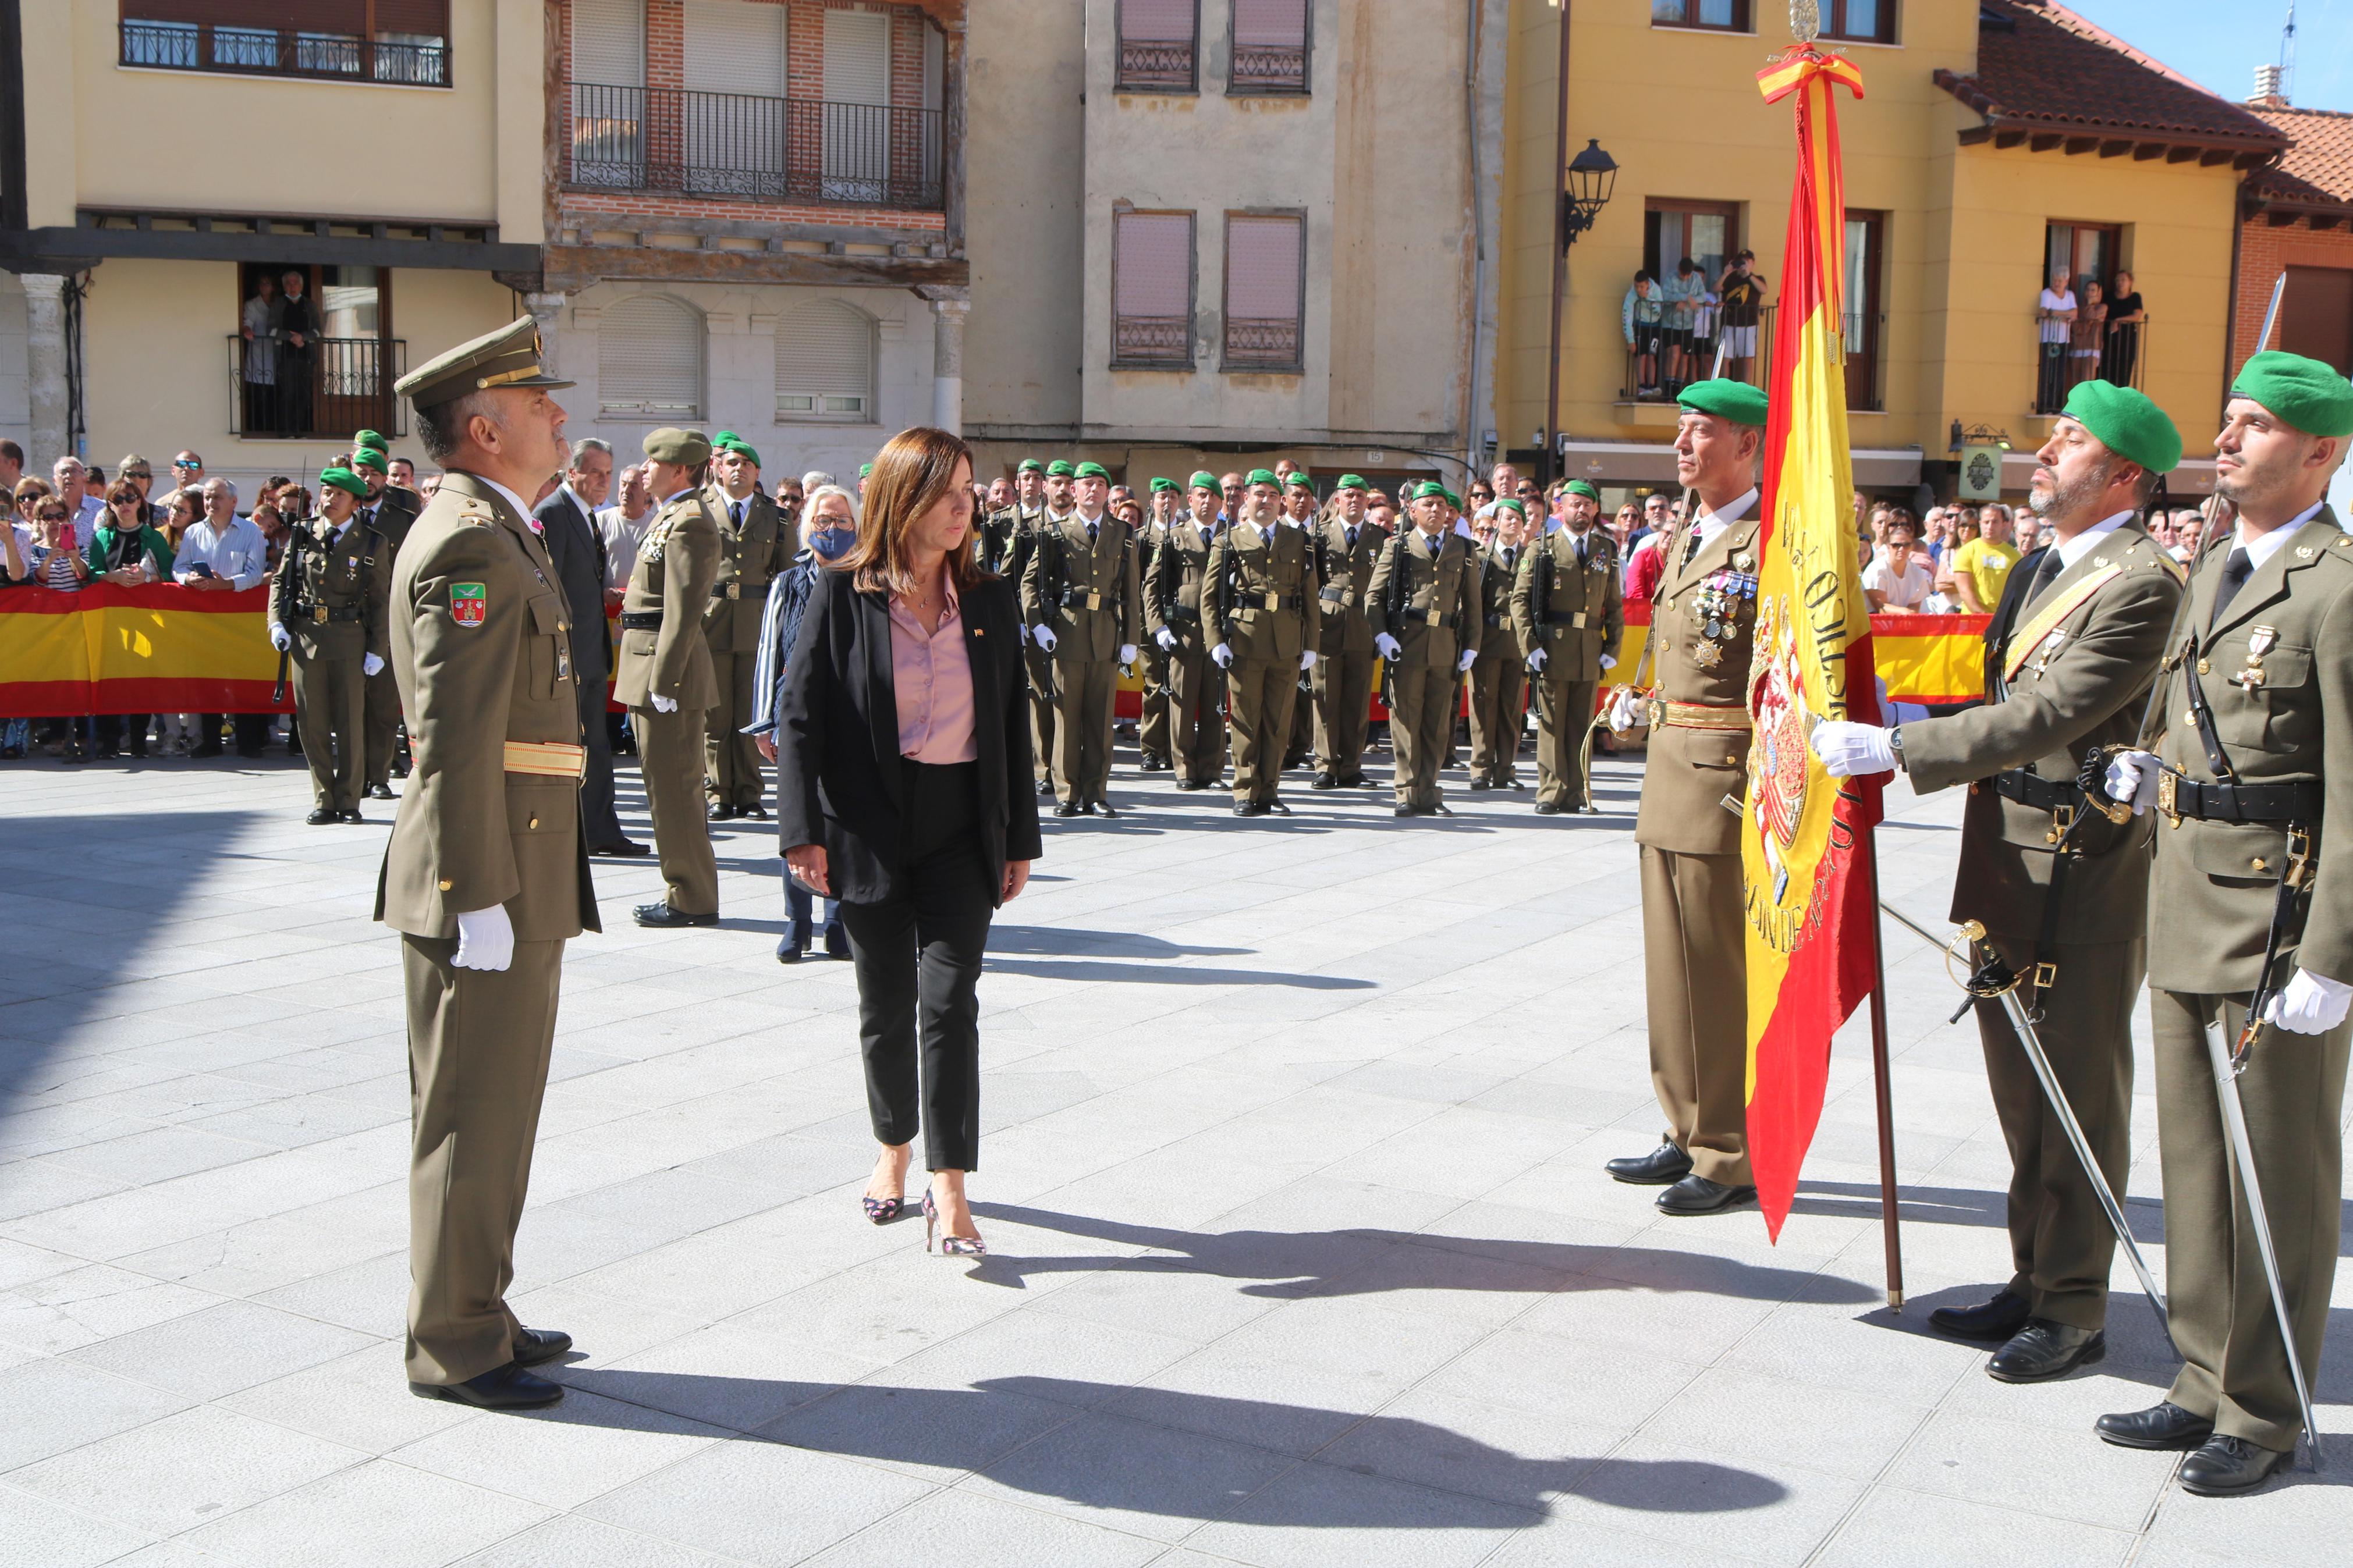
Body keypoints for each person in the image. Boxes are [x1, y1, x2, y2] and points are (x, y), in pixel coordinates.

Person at [1814, 379, 2185, 1382]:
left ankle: (2073, 1307)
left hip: (2078, 869)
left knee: (2072, 1093)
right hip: (2004, 857)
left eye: (2068, 443)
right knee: (2019, 1092)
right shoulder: (2035, 569)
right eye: (2054, 436)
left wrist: (1899, 745)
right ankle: (2033, 1278)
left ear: (2121, 476)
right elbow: (1999, 694)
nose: (2044, 454)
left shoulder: (2142, 582)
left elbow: (2050, 712)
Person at [2093, 353, 2353, 1495]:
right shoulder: (2211, 570)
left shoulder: (2337, 587)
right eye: (2229, 419)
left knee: (2274, 1179)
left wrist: (2332, 958)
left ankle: (2260, 1408)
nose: (2227, 438)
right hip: (2184, 895)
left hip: (2273, 919)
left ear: (2318, 452)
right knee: (2194, 1166)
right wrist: (2142, 763)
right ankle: (2199, 1375)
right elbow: (2187, 712)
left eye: (2255, 426)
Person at [376, 317, 594, 1411]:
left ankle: (480, 1304)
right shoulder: (469, 538)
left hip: (520, 863)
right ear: (482, 428)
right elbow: (454, 734)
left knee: (497, 1107)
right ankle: (453, 1341)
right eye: (536, 404)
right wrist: (478, 895)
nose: (559, 415)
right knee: (469, 1110)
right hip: (488, 873)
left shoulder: (504, 526)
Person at [774, 426, 1041, 1258]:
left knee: (948, 1001)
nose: (966, 505)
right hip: (871, 830)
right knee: (884, 1004)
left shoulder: (991, 598)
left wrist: (1019, 838)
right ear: (904, 498)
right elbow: (800, 715)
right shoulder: (842, 591)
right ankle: (892, 1148)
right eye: (947, 491)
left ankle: (950, 1184)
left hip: (964, 825)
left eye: (970, 488)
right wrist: (799, 833)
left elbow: (1009, 722)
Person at [1602, 379, 1770, 1214]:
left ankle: (1728, 1148)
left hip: (1720, 781)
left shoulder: (1768, 539)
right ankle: (1683, 1125)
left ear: (1744, 444)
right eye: (1679, 428)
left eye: (1699, 431)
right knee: (1669, 971)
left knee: (1713, 973)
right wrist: (1639, 703)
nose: (1680, 443)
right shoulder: (1684, 532)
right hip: (1667, 768)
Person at [615, 429, 725, 929]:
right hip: (647, 659)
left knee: (677, 788)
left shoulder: (691, 523)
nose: (644, 469)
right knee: (664, 786)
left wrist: (664, 682)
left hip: (666, 668)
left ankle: (691, 896)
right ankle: (684, 888)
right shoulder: (672, 514)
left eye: (653, 462)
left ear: (680, 470)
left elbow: (683, 612)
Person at [747, 483, 861, 962]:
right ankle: (797, 922)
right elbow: (768, 650)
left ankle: (838, 922)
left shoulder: (868, 580)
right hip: (795, 717)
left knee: (844, 820)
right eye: (821, 520)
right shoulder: (788, 583)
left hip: (851, 720)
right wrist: (763, 724)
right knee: (797, 818)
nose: (830, 529)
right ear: (804, 526)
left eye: (840, 521)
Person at [537, 439, 642, 858]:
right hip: (570, 657)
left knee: (596, 746)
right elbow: (547, 589)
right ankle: (584, 830)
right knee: (579, 747)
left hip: (591, 652)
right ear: (572, 472)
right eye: (596, 472)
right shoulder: (553, 514)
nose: (604, 481)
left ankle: (599, 828)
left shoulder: (587, 517)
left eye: (608, 473)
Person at [268, 467, 388, 823]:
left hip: (349, 636)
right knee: (311, 722)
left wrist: (377, 649)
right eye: (326, 492)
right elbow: (281, 581)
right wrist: (276, 622)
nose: (330, 499)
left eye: (339, 494)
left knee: (351, 722)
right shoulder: (303, 534)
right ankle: (323, 798)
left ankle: (349, 799)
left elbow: (381, 599)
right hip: (307, 637)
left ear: (354, 502)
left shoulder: (371, 542)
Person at [1023, 460, 1137, 817]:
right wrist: (1037, 624)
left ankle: (1097, 792)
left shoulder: (1122, 533)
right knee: (1066, 716)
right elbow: (1030, 582)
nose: (1093, 490)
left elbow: (1131, 591)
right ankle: (1067, 792)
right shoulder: (1056, 531)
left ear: (1108, 493)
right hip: (1067, 633)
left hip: (1105, 633)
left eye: (1100, 486)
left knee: (1101, 719)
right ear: (1074, 491)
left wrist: (1131, 637)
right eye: (1086, 484)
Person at [1204, 470, 1315, 817]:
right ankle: (1245, 790)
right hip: (1245, 639)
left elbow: (1309, 595)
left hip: (1286, 640)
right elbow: (1210, 597)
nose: (1264, 501)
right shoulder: (1229, 540)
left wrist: (1311, 642)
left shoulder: (1299, 540)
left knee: (1278, 722)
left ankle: (1269, 790)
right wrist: (1216, 640)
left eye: (1271, 495)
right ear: (1246, 500)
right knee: (1245, 719)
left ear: (1281, 501)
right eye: (1258, 495)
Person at [1368, 481, 1481, 817]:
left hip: (1446, 644)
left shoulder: (1464, 548)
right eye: (1428, 504)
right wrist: (1382, 636)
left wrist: (1472, 645)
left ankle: (1430, 793)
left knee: (1437, 724)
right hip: (1407, 643)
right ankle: (1406, 791)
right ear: (1413, 510)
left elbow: (1473, 603)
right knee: (1405, 721)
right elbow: (1373, 596)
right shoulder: (1398, 546)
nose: (1435, 510)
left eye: (1441, 505)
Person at [695, 436, 793, 822]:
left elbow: (786, 578)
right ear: (719, 468)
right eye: (731, 463)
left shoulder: (776, 517)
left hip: (755, 624)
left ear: (757, 473)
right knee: (714, 715)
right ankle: (718, 791)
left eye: (746, 465)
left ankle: (750, 793)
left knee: (751, 713)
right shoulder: (700, 508)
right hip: (712, 620)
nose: (738, 469)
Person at [1516, 479, 1623, 813]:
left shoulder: (1605, 549)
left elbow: (1614, 604)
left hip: (1589, 648)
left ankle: (1577, 792)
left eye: (1588, 505)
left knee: (1581, 725)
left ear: (1595, 509)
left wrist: (1612, 648)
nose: (1582, 511)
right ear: (1561, 508)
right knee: (1551, 725)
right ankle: (1550, 792)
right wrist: (1531, 646)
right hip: (1554, 645)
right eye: (1575, 505)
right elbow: (1520, 600)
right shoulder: (1542, 548)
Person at [174, 478, 272, 758]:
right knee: (208, 679)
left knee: (245, 678)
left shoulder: (251, 532)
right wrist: (188, 578)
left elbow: (256, 574)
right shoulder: (194, 532)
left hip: (241, 620)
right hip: (205, 619)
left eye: (217, 497)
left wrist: (226, 584)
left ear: (233, 502)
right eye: (207, 497)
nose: (210, 503)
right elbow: (178, 567)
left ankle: (249, 741)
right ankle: (211, 740)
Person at [1148, 473, 1229, 791]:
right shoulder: (1174, 536)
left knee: (1215, 702)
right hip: (1184, 631)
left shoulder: (1232, 535)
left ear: (1221, 503)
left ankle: (1211, 768)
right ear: (1191, 501)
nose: (1207, 501)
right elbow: (1152, 586)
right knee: (1182, 703)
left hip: (1220, 632)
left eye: (1213, 496)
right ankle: (1184, 769)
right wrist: (1157, 627)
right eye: (1201, 495)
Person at [86, 480, 175, 759]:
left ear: (140, 502)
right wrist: (110, 577)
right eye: (117, 499)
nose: (124, 504)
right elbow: (91, 575)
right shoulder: (102, 537)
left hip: (146, 621)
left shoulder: (154, 537)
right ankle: (110, 741)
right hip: (111, 622)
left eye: (130, 498)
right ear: (110, 505)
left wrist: (146, 578)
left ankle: (139, 741)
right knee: (110, 680)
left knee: (141, 682)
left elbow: (172, 576)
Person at [1309, 474, 1380, 789]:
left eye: (1360, 496)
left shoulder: (1380, 538)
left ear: (1367, 502)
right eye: (1349, 495)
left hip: (1363, 627)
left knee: (1357, 698)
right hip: (1328, 623)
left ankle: (1351, 765)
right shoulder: (1319, 535)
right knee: (1325, 697)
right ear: (1337, 500)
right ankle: (1326, 764)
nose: (1355, 500)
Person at [1467, 499, 1529, 790]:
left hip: (1517, 642)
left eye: (1519, 518)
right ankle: (1481, 767)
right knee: (1483, 705)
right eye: (1508, 518)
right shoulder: (1481, 557)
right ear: (1494, 522)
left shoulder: (1530, 557)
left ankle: (1506, 768)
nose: (1514, 523)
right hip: (1488, 640)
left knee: (1511, 707)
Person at [1947, 502, 2021, 614]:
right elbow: (1965, 591)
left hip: (2002, 620)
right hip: (1972, 620)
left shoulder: (2015, 556)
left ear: (2004, 524)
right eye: (1987, 522)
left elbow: (2017, 591)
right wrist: (1982, 615)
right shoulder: (1966, 552)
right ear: (1980, 524)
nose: (1990, 526)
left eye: (1995, 522)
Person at [1862, 511, 1934, 611]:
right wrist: (1906, 613)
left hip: (1904, 624)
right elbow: (1881, 608)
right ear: (1888, 546)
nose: (1901, 549)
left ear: (1912, 547)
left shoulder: (1917, 573)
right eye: (1896, 545)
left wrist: (1910, 614)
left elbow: (1915, 607)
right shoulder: (1877, 569)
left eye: (1906, 545)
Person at [276, 268, 319, 436]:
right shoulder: (278, 304)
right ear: (284, 287)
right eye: (289, 284)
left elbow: (317, 330)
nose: (292, 287)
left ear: (301, 286)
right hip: (285, 356)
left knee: (303, 394)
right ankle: (286, 430)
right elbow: (272, 330)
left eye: (296, 283)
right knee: (287, 394)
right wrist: (290, 337)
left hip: (306, 356)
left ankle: (300, 429)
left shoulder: (310, 305)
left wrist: (303, 337)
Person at [1716, 250, 1766, 383]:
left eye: (1746, 261)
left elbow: (1764, 290)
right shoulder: (1731, 278)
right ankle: (1724, 386)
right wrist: (1726, 273)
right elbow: (1716, 288)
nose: (1743, 264)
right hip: (1729, 323)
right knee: (1725, 358)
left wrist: (1748, 275)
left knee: (1747, 358)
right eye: (1741, 261)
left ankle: (1746, 388)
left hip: (1749, 324)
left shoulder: (1757, 279)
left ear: (1752, 263)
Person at [241, 272, 279, 434]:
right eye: (262, 283)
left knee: (275, 395)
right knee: (258, 393)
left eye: (268, 283)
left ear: (273, 287)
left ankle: (273, 427)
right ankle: (258, 428)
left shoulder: (279, 304)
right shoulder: (252, 304)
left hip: (277, 351)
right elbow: (247, 323)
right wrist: (247, 331)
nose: (265, 286)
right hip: (259, 352)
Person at [2036, 266, 2077, 415]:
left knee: (2060, 373)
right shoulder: (2047, 294)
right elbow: (2044, 312)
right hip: (2048, 340)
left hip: (2063, 341)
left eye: (2060, 281)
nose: (2057, 283)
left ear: (2066, 281)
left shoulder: (2070, 295)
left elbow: (2075, 314)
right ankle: (2045, 405)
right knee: (2047, 373)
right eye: (2055, 280)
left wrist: (2055, 313)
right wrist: (2065, 316)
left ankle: (2056, 405)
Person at [1623, 271, 1665, 397]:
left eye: (1641, 287)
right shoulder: (1632, 294)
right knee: (1642, 356)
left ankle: (1651, 385)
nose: (1639, 290)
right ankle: (1642, 386)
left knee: (1652, 356)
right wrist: (1630, 339)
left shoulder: (1656, 290)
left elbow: (1659, 312)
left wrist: (1647, 298)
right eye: (1636, 286)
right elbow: (1627, 315)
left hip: (1654, 326)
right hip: (1640, 326)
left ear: (1647, 284)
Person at [2102, 269, 2145, 387]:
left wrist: (2118, 321)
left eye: (2123, 280)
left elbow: (2137, 316)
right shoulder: (2108, 297)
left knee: (2124, 369)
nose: (2120, 283)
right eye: (2118, 280)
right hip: (2109, 338)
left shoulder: (2135, 297)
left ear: (2131, 282)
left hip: (2127, 339)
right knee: (2107, 369)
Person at [2071, 280, 2108, 390]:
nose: (2090, 293)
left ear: (2098, 293)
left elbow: (2090, 316)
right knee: (2075, 383)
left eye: (2093, 290)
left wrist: (2090, 304)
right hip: (2077, 346)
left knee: (2087, 381)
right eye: (2088, 290)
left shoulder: (2102, 307)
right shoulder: (2077, 307)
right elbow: (2075, 326)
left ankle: (2086, 407)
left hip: (2092, 347)